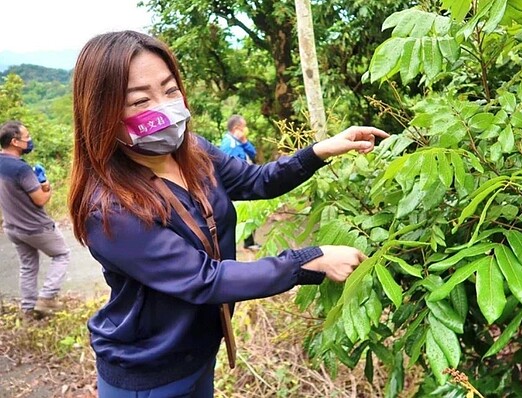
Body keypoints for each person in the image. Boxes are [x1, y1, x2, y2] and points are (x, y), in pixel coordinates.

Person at [69, 30, 389, 397]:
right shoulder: (109, 208)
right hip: (149, 371)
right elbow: (205, 280)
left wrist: (319, 151)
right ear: (102, 112)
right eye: (140, 101)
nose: (164, 108)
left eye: (170, 90)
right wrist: (309, 261)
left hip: (201, 350)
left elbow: (258, 181)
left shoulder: (192, 151)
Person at [0, 120, 70, 317]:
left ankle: (28, 310)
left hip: (13, 228)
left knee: (28, 266)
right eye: (26, 137)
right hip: (35, 227)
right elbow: (40, 199)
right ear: (15, 141)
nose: (29, 141)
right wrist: (47, 187)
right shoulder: (21, 169)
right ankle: (47, 297)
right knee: (62, 255)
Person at [220, 115, 260, 250]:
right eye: (244, 127)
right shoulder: (230, 145)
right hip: (238, 187)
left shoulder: (237, 142)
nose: (246, 130)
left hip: (245, 183)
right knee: (245, 215)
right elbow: (233, 170)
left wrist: (244, 141)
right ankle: (248, 242)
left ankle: (250, 242)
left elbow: (253, 153)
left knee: (249, 214)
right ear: (237, 128)